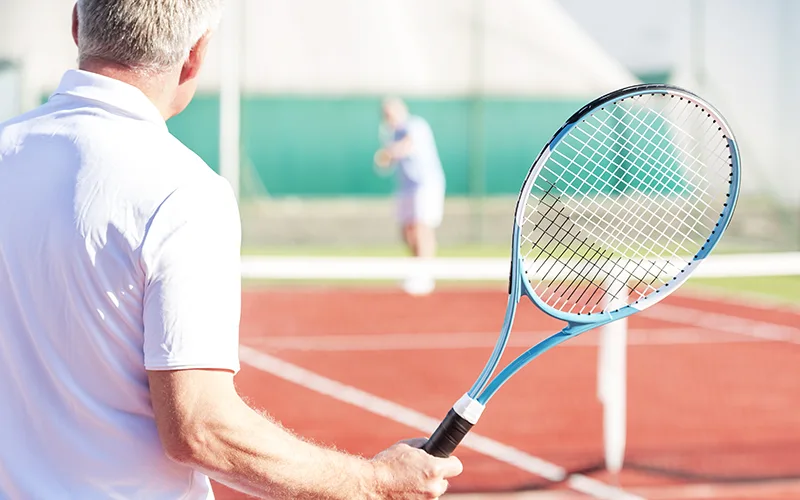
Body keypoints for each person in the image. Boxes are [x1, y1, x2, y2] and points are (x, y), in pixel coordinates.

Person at [0, 1, 462, 499]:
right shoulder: (183, 192)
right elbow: (199, 427)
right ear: (195, 54)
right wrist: (374, 484)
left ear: (76, 24)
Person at [374, 98, 447, 296]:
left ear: (401, 110)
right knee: (407, 230)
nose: (389, 117)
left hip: (426, 185)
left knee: (421, 227)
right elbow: (389, 160)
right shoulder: (392, 133)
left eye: (391, 112)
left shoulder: (415, 125)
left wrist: (388, 153)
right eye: (386, 114)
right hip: (407, 187)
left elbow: (407, 145)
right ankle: (417, 271)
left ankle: (426, 275)